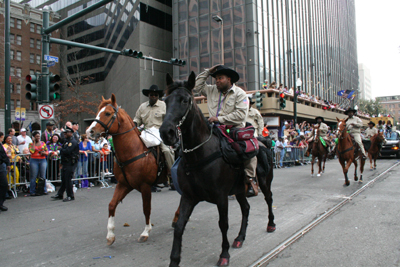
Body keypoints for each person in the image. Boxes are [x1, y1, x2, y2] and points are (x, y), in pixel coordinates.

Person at [193, 64, 258, 196]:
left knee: (249, 148)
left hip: (233, 129)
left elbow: (240, 116)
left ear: (229, 79)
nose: (217, 81)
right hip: (214, 129)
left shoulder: (240, 94)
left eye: (220, 78)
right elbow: (196, 86)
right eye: (216, 78)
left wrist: (219, 119)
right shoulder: (211, 90)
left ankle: (249, 179)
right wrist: (207, 71)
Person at [133, 84, 175, 192]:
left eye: (155, 95)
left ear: (158, 96)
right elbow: (137, 120)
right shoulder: (142, 107)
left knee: (167, 151)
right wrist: (134, 125)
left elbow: (168, 121)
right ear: (148, 95)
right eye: (151, 95)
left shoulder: (164, 105)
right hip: (146, 133)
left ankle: (173, 177)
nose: (153, 96)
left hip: (159, 133)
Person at [51, 126, 79, 202]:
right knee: (63, 179)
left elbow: (67, 151)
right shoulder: (66, 141)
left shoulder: (72, 142)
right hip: (65, 162)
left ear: (71, 133)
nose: (65, 134)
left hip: (70, 162)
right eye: (64, 133)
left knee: (67, 179)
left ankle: (70, 195)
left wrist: (60, 149)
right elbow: (64, 152)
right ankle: (60, 194)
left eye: (66, 133)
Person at [28, 131, 49, 196]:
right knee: (33, 176)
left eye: (39, 136)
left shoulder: (43, 143)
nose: (38, 138)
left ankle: (44, 190)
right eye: (36, 136)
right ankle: (32, 191)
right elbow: (32, 151)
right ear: (33, 137)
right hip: (34, 160)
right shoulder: (31, 144)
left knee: (43, 176)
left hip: (42, 159)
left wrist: (44, 153)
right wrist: (34, 142)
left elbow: (47, 151)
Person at [0, 134, 11, 212]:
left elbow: (3, 154)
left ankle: (0, 203)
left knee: (4, 184)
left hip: (1, 166)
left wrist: (8, 164)